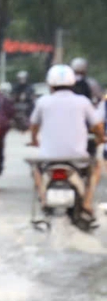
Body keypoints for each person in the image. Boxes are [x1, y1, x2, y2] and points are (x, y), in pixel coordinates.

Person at [27, 63, 102, 220]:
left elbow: (33, 126)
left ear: (50, 84)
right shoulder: (83, 102)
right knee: (97, 166)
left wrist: (34, 140)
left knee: (35, 170)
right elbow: (97, 126)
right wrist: (100, 138)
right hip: (77, 159)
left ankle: (43, 199)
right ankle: (87, 203)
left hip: (49, 159)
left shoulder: (43, 102)